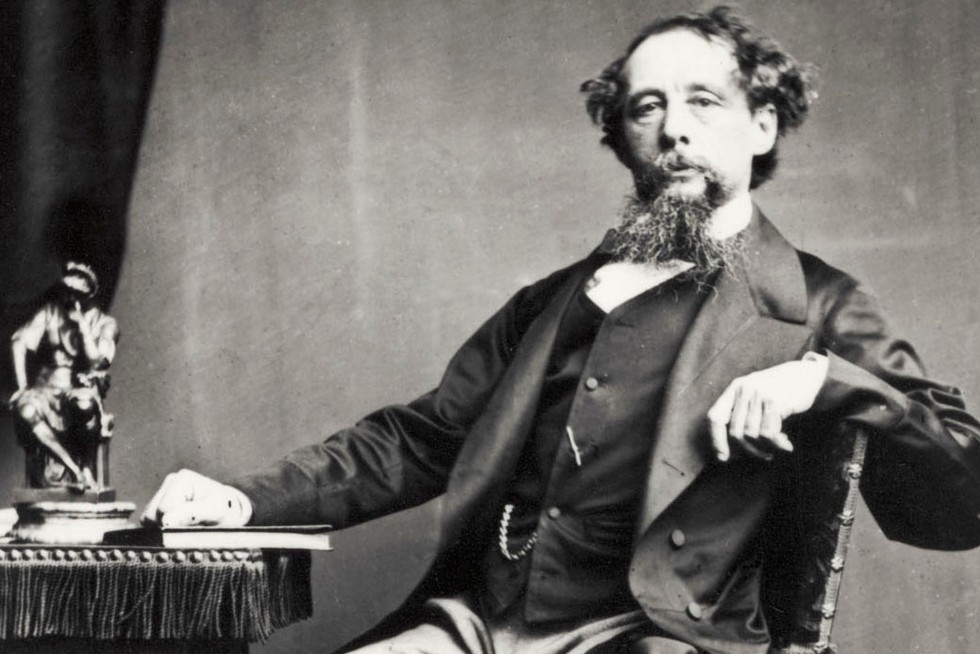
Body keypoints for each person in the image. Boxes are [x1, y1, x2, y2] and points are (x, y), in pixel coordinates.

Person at [142, 7, 980, 653]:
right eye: (647, 107)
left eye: (703, 101)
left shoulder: (822, 305)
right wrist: (244, 499)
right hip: (481, 623)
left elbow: (964, 493)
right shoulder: (553, 301)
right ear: (622, 139)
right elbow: (420, 439)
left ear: (762, 125)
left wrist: (822, 380)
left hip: (659, 635)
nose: (675, 128)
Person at [9, 261, 119, 491]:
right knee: (26, 410)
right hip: (46, 390)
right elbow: (19, 341)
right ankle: (74, 470)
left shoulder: (106, 323)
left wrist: (82, 327)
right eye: (67, 290)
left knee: (84, 404)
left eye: (77, 292)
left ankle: (86, 471)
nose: (70, 297)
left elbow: (98, 360)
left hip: (80, 388)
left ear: (90, 295)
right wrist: (22, 387)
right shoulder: (51, 312)